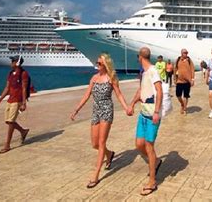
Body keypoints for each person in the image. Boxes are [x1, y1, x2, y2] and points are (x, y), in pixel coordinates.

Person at [70, 53, 131, 189]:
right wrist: (77, 109)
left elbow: (119, 94)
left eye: (99, 63)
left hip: (107, 110)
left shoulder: (111, 79)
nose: (97, 65)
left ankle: (96, 174)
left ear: (105, 65)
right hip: (96, 110)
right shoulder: (94, 78)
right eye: (97, 63)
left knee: (101, 142)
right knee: (94, 143)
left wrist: (126, 108)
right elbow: (87, 94)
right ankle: (109, 154)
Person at [129, 47, 163, 196]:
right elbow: (141, 91)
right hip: (143, 114)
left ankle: (152, 182)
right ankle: (155, 161)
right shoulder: (143, 72)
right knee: (139, 144)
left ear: (140, 58)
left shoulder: (153, 71)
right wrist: (132, 104)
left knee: (149, 147)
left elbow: (159, 91)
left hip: (152, 115)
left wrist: (156, 111)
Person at [0, 55, 30, 154]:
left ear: (17, 63)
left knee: (10, 122)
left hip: (17, 100)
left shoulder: (23, 73)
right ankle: (23, 131)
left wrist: (24, 103)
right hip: (10, 100)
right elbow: (7, 88)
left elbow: (23, 88)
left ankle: (7, 145)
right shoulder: (10, 73)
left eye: (13, 61)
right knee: (8, 121)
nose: (11, 63)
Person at [174, 48, 195, 115]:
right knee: (178, 95)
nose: (186, 54)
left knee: (186, 96)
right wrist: (174, 78)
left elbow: (192, 69)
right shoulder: (178, 60)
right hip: (179, 81)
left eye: (186, 53)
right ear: (181, 53)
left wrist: (192, 79)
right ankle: (182, 104)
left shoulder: (189, 60)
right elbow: (175, 69)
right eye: (184, 53)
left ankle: (185, 109)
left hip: (187, 81)